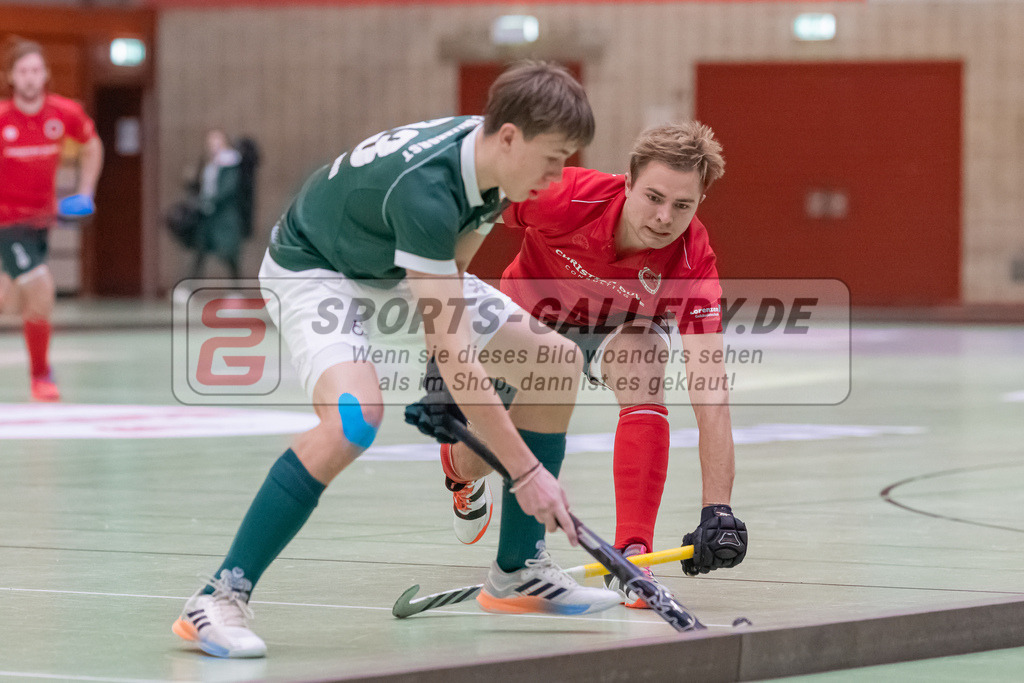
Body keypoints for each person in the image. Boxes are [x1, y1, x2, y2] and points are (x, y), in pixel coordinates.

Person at [172, 61, 621, 660]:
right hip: (316, 268)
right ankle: (217, 598)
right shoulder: (428, 189)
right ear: (512, 137)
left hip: (395, 264)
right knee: (353, 420)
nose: (557, 175)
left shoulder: (495, 165)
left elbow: (453, 273)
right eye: (553, 158)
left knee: (554, 363)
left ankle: (518, 571)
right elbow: (455, 347)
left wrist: (444, 370)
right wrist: (526, 472)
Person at [439, 121, 748, 609]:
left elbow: (710, 390)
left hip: (620, 329)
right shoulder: (568, 197)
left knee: (646, 364)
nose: (664, 217)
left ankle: (631, 555)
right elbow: (476, 199)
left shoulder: (692, 259)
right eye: (654, 197)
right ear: (628, 182)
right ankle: (460, 475)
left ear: (699, 203)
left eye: (682, 205)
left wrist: (719, 507)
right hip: (529, 317)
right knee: (485, 448)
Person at [0, 39, 104, 401]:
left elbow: (92, 145)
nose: (29, 77)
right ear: (11, 77)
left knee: (12, 301)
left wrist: (86, 191)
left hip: (42, 224)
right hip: (7, 224)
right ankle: (41, 375)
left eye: (35, 70)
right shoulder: (2, 120)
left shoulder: (63, 113)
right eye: (22, 71)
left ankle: (40, 369)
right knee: (41, 288)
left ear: (45, 75)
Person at [188, 129, 246, 280]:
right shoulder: (209, 163)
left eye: (217, 142)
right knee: (200, 251)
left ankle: (236, 287)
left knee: (228, 253)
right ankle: (190, 286)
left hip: (224, 215)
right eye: (211, 143)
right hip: (207, 213)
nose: (213, 146)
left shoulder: (230, 163)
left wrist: (210, 200)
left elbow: (228, 189)